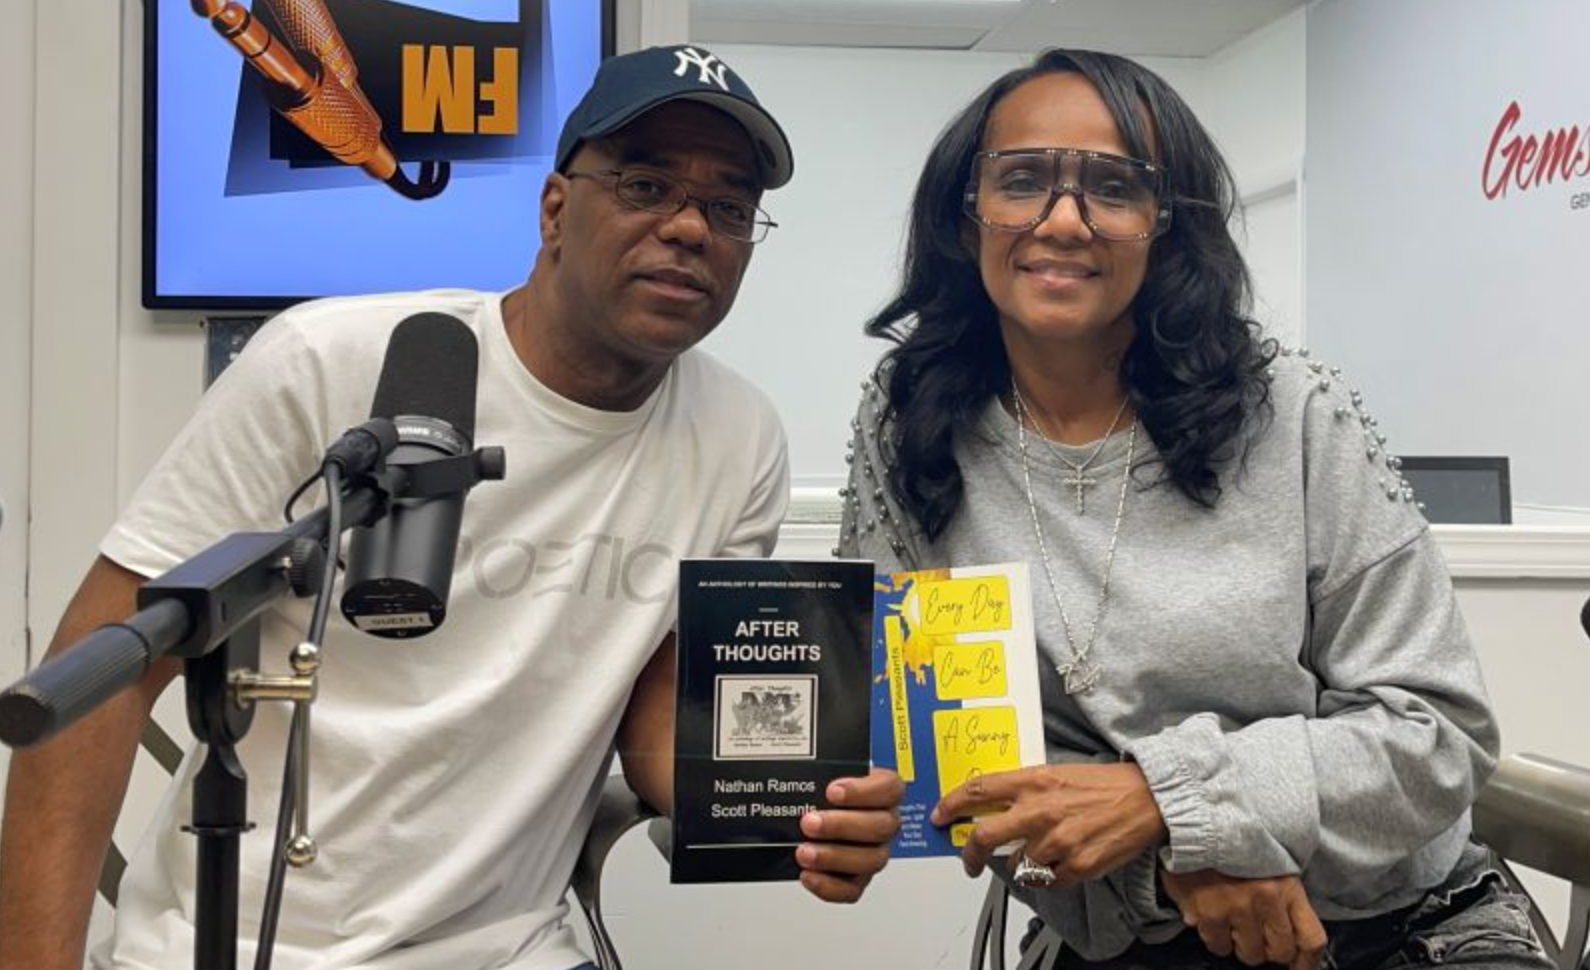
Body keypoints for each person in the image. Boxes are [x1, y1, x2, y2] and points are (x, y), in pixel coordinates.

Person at [0, 44, 901, 970]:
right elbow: (100, 679)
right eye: (645, 186)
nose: (688, 227)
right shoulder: (326, 364)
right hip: (243, 940)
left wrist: (792, 808)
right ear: (555, 209)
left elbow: (659, 708)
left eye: (729, 207)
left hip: (510, 947)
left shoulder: (739, 436)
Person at [840, 48, 1547, 970]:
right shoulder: (910, 425)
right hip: (1130, 928)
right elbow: (958, 766)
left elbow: (1437, 736)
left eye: (1114, 188)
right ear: (963, 211)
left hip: (1405, 927)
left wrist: (1168, 806)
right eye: (1022, 180)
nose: (1064, 220)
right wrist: (1176, 865)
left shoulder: (1293, 412)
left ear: (1169, 225)